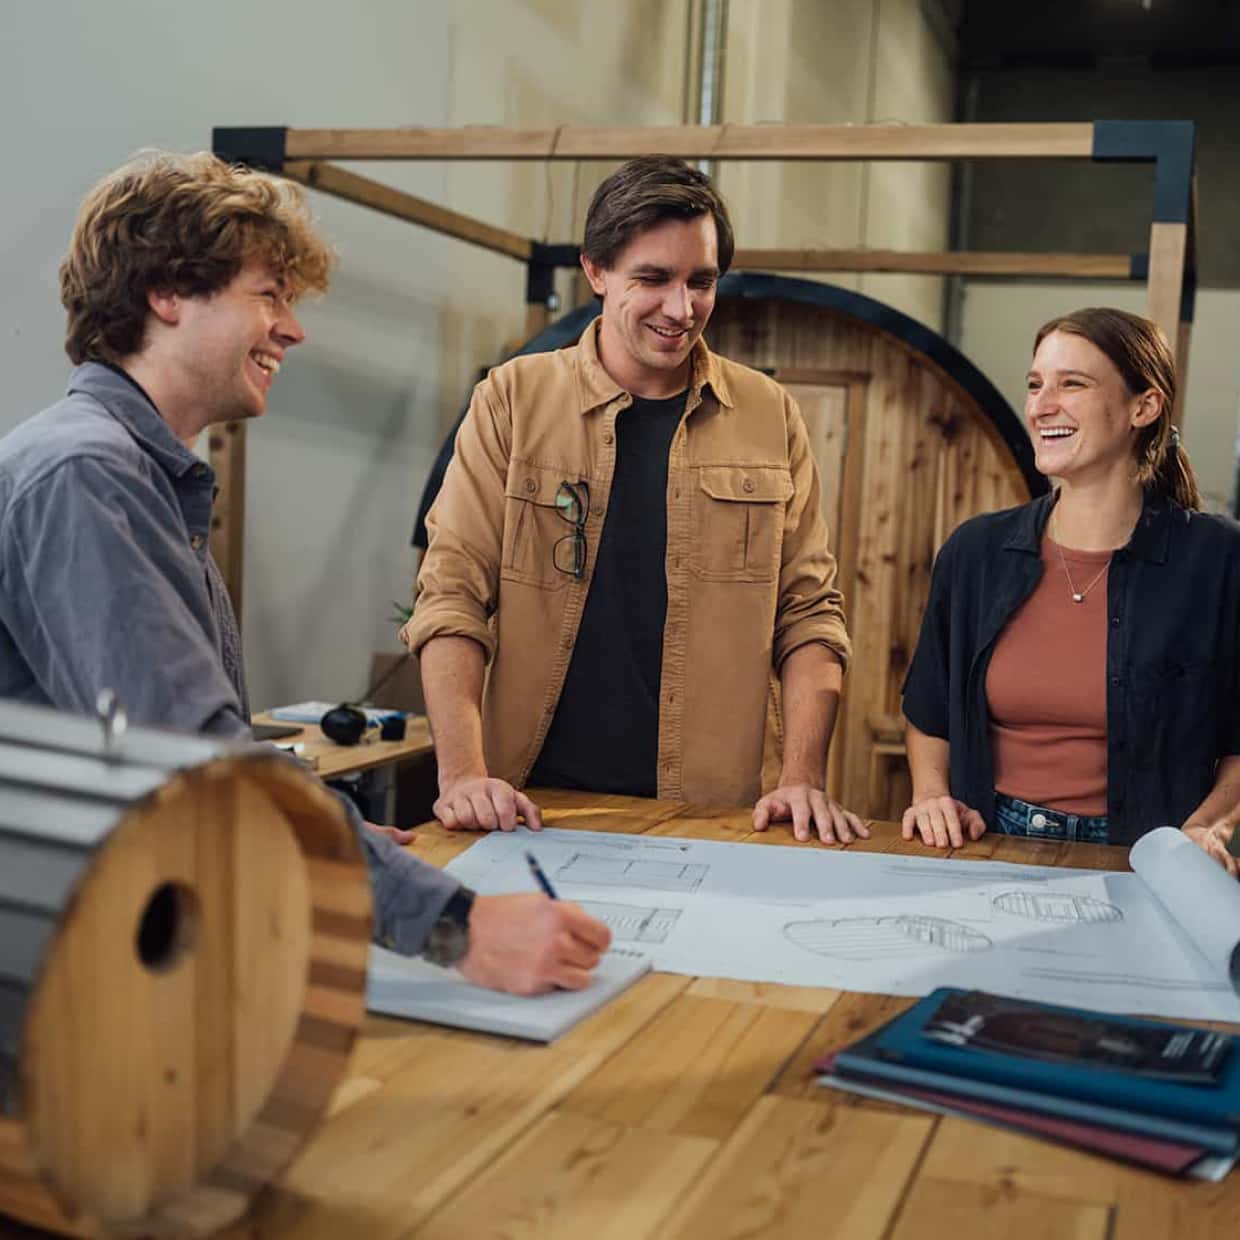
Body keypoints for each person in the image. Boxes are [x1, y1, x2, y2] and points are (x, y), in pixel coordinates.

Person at [0, 150, 610, 992]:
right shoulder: (86, 476)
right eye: (268, 295)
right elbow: (190, 765)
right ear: (167, 293)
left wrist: (331, 830)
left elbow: (204, 735)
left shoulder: (143, 478)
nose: (293, 327)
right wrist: (458, 929)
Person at [402, 156, 864, 845]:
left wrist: (801, 776)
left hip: (717, 815)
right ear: (595, 272)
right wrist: (463, 776)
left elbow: (809, 615)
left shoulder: (770, 414)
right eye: (653, 279)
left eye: (701, 281)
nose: (682, 310)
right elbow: (451, 595)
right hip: (530, 806)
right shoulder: (513, 400)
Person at [900, 307, 1240, 876]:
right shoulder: (975, 553)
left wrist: (1209, 825)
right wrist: (931, 795)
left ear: (1144, 406)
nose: (1041, 405)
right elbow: (928, 710)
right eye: (1035, 384)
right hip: (984, 850)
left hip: (1147, 862)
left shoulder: (1217, 560)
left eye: (1072, 384)